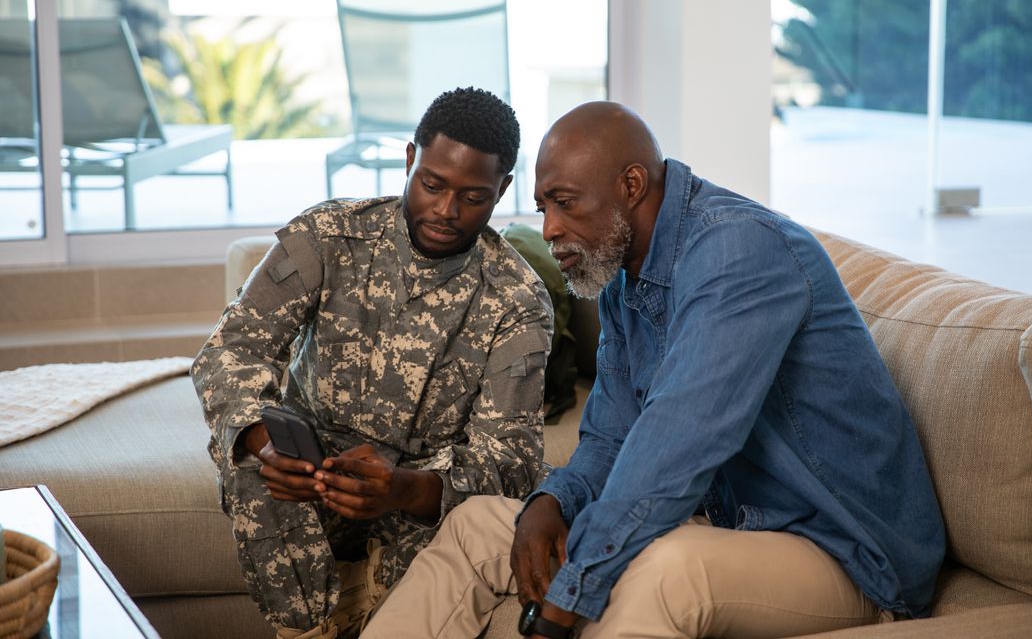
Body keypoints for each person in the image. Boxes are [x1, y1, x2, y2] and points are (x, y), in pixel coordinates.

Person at [362, 101, 946, 639]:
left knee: (669, 571)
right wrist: (552, 502)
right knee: (478, 525)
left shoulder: (739, 253)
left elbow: (681, 438)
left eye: (566, 202)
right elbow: (613, 437)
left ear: (632, 184)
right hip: (733, 523)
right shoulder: (623, 282)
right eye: (544, 208)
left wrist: (574, 588)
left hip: (848, 550)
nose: (550, 230)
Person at [191, 87, 554, 639]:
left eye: (473, 196)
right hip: (308, 479)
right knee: (247, 464)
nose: (446, 211)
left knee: (471, 524)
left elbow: (512, 460)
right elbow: (231, 349)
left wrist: (404, 488)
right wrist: (264, 439)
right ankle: (308, 631)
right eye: (432, 184)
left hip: (417, 497)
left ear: (502, 190)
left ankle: (374, 605)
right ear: (410, 161)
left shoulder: (517, 300)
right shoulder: (327, 236)